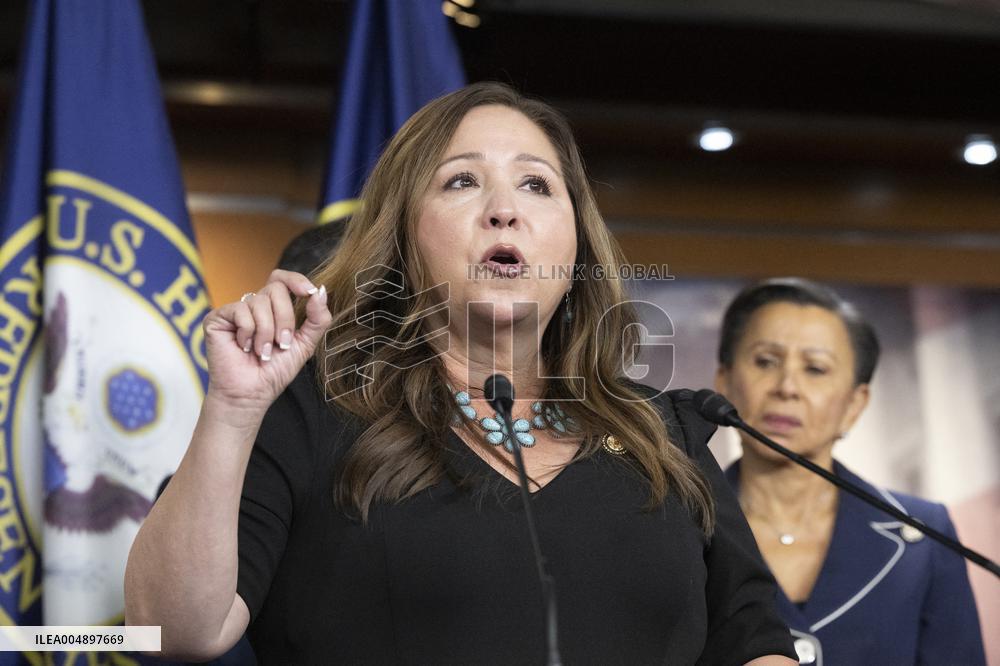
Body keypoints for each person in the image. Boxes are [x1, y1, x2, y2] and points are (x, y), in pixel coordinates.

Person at [125, 82, 797, 665]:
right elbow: (170, 631)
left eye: (536, 184)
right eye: (462, 181)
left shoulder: (665, 429)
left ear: (577, 245)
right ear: (403, 239)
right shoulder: (314, 412)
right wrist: (234, 408)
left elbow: (755, 640)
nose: (504, 208)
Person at [714, 278, 986, 665]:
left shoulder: (923, 534)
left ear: (855, 404)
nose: (787, 387)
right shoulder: (683, 529)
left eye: (816, 368)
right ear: (723, 381)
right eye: (765, 361)